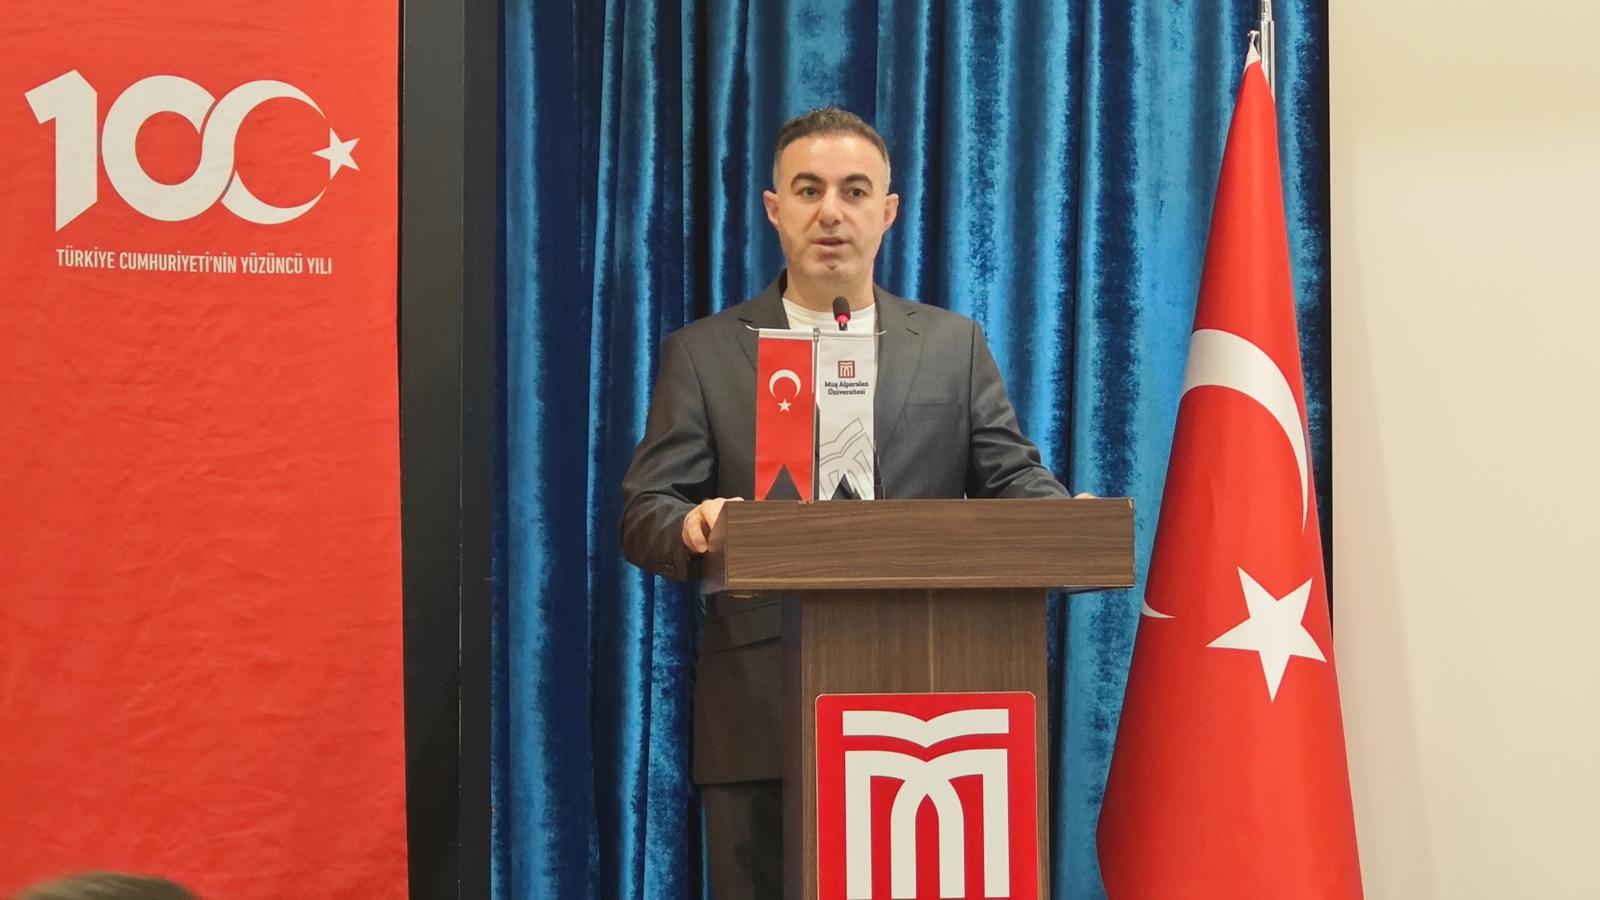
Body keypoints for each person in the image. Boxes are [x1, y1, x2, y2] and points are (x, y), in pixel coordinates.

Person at [619, 106, 1072, 897]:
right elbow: (645, 509)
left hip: (929, 712)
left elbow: (1014, 480)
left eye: (855, 191)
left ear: (888, 211)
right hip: (760, 714)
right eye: (809, 190)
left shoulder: (954, 347)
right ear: (774, 209)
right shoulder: (703, 353)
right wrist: (693, 524)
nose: (831, 211)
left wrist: (1065, 519)